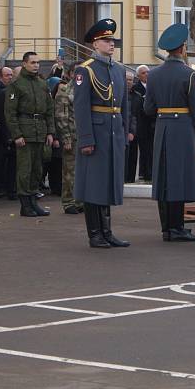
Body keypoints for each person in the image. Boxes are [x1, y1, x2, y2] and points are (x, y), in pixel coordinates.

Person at [144, 23, 195, 242]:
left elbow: (148, 109)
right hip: (182, 129)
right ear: (183, 48)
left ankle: (167, 229)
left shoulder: (153, 75)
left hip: (162, 126)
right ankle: (178, 227)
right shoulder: (191, 75)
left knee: (163, 178)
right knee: (178, 178)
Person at [73, 18, 131, 249]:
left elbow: (124, 104)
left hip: (114, 132)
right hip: (96, 132)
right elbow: (81, 107)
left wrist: (125, 131)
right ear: (95, 44)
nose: (111, 44)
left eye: (112, 40)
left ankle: (107, 231)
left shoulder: (118, 69)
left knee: (108, 183)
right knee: (93, 185)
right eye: (106, 40)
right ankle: (95, 234)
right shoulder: (84, 70)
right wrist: (86, 139)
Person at [5, 52, 55, 217]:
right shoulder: (17, 84)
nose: (36, 65)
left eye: (38, 62)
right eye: (32, 62)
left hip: (40, 129)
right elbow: (10, 113)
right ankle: (25, 204)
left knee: (37, 169)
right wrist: (17, 134)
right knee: (25, 169)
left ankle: (34, 202)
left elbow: (49, 109)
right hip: (25, 130)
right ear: (24, 64)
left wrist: (50, 131)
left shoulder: (42, 84)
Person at [54, 67, 83, 214]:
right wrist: (66, 137)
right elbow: (61, 116)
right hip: (71, 135)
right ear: (71, 74)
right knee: (70, 171)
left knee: (83, 171)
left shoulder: (85, 88)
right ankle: (68, 201)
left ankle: (80, 200)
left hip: (85, 136)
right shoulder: (65, 90)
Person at [0, 67, 17, 199]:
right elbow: (1, 115)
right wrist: (6, 134)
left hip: (14, 133)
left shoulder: (13, 91)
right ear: (1, 77)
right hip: (4, 134)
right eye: (7, 75)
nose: (9, 77)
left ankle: (12, 188)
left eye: (11, 75)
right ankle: (4, 188)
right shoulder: (1, 92)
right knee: (2, 164)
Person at [132, 65, 154, 181]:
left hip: (153, 123)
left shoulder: (154, 86)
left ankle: (151, 172)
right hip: (142, 123)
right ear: (138, 76)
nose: (147, 75)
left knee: (152, 149)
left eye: (148, 72)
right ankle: (145, 173)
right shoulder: (136, 88)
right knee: (144, 149)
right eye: (144, 73)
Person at [124, 69, 139, 183]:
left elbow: (133, 115)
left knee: (132, 156)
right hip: (120, 129)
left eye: (131, 80)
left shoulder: (135, 95)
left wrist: (132, 131)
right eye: (127, 79)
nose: (129, 82)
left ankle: (129, 179)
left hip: (131, 131)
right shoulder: (118, 92)